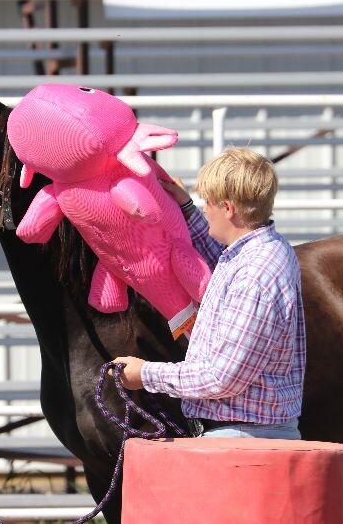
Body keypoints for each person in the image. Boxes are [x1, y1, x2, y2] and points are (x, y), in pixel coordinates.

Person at [112, 147, 306, 439]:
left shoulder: (255, 275)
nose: (205, 208)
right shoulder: (260, 252)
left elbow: (221, 376)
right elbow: (221, 262)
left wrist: (145, 375)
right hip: (244, 433)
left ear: (228, 209)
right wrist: (187, 209)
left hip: (241, 439)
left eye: (208, 203)